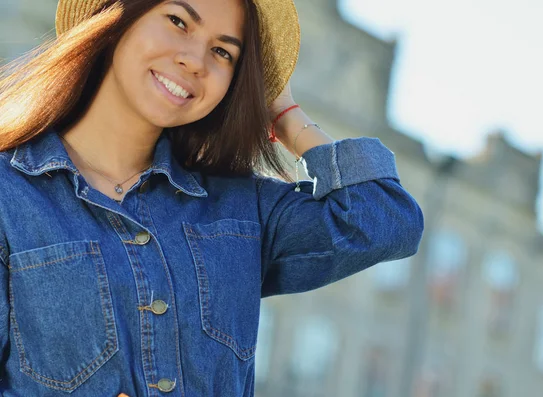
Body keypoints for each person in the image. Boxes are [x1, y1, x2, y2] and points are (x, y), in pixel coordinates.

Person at [0, 0, 424, 395]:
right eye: (178, 22)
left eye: (224, 53)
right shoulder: (9, 195)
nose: (195, 61)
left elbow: (384, 220)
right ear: (119, 16)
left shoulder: (242, 209)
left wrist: (287, 117)